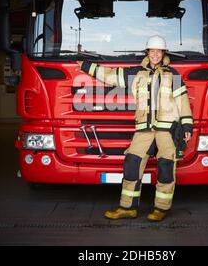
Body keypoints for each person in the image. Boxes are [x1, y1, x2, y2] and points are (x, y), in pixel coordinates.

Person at [76, 35, 193, 222]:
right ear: (148, 53)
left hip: (167, 129)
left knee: (166, 167)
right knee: (131, 164)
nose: (155, 55)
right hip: (144, 130)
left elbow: (183, 102)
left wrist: (187, 125)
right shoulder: (136, 73)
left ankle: (161, 209)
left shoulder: (173, 75)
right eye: (152, 51)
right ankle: (127, 208)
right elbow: (111, 75)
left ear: (163, 54)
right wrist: (87, 66)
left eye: (158, 51)